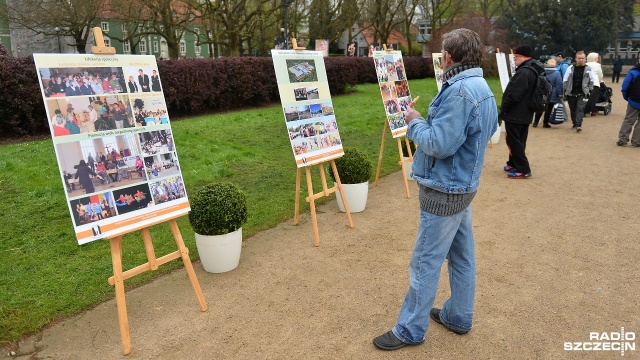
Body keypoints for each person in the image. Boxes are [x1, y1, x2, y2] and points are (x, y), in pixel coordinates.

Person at [372, 28, 497, 351]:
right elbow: (486, 130)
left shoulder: (459, 91)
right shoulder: (480, 85)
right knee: (462, 256)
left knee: (425, 262)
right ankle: (459, 316)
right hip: (461, 187)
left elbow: (438, 144)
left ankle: (410, 329)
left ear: (450, 57)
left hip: (445, 190)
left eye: (443, 56)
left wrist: (414, 120)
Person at [499, 44, 542, 179]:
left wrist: (504, 108)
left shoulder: (524, 72)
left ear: (524, 57)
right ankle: (513, 163)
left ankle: (523, 169)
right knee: (519, 139)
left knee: (513, 141)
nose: (514, 59)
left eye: (516, 57)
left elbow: (514, 94)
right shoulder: (533, 69)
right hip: (525, 112)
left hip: (516, 113)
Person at [563, 51, 596, 132]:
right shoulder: (570, 68)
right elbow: (565, 80)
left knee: (580, 108)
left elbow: (592, 81)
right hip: (571, 92)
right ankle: (574, 123)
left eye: (582, 58)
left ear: (585, 59)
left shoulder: (589, 69)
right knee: (573, 109)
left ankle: (578, 124)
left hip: (583, 93)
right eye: (579, 58)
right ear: (576, 59)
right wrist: (565, 89)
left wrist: (589, 90)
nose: (581, 60)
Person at [533, 59, 564, 128]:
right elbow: (559, 84)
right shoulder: (557, 73)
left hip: (542, 92)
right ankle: (545, 123)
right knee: (549, 109)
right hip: (552, 92)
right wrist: (560, 94)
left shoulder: (542, 72)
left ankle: (535, 122)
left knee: (540, 107)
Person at [617, 60, 640, 147]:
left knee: (629, 120)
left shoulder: (633, 72)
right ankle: (637, 141)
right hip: (634, 99)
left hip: (634, 100)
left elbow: (625, 87)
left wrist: (627, 98)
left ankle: (623, 139)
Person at [585, 52, 604, 116]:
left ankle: (584, 110)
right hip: (595, 83)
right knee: (593, 98)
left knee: (586, 98)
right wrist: (599, 81)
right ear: (595, 58)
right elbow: (600, 75)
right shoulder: (597, 65)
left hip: (586, 83)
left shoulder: (585, 64)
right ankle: (591, 110)